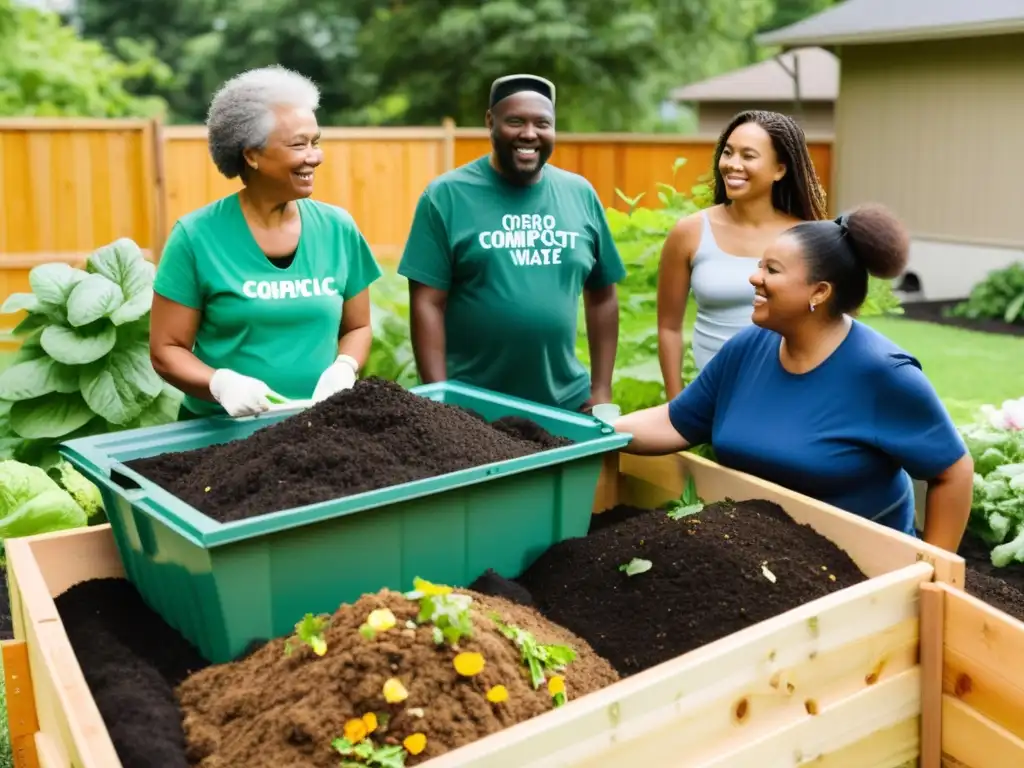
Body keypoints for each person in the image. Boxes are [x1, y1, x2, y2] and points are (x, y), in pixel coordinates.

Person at [615, 203, 974, 552]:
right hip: (762, 558)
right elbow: (676, 421)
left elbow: (953, 473)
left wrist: (933, 576)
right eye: (759, 266)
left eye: (772, 270)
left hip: (864, 571)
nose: (754, 277)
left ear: (819, 292)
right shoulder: (748, 347)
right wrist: (594, 433)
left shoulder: (883, 374)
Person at [150, 66, 382, 419]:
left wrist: (345, 366)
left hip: (315, 428)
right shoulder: (196, 237)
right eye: (298, 144)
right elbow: (166, 350)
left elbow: (358, 326)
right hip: (218, 435)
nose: (314, 156)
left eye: (315, 142)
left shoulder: (338, 229)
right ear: (252, 155)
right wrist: (220, 384)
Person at [396, 74, 626, 413]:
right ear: (490, 121)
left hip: (565, 403)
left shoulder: (579, 194)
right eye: (515, 121)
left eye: (542, 123)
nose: (529, 134)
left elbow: (603, 297)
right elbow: (427, 304)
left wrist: (601, 389)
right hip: (473, 408)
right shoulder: (446, 197)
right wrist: (440, 400)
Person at [657, 110, 828, 399]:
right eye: (728, 153)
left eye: (748, 156)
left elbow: (827, 327)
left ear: (780, 170)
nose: (733, 165)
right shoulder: (689, 232)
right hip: (713, 400)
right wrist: (677, 405)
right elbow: (669, 328)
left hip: (789, 396)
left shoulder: (809, 238)